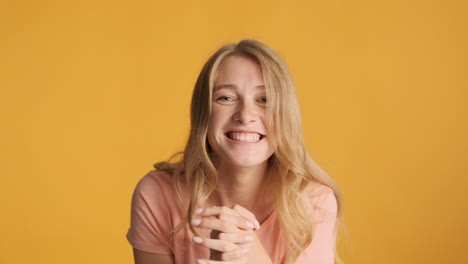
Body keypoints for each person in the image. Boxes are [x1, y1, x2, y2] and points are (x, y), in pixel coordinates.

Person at [126, 39, 344, 264]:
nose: (245, 115)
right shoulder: (159, 194)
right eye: (226, 98)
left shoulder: (313, 202)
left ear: (286, 115)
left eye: (264, 99)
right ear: (203, 113)